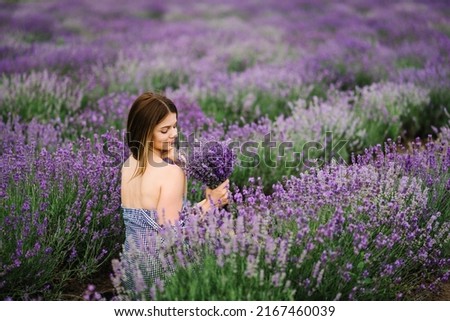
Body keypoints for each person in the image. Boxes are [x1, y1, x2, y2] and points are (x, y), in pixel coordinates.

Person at [119, 91, 229, 291]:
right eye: (164, 130)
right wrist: (211, 203)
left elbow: (155, 220)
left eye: (175, 126)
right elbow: (173, 237)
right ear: (145, 132)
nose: (174, 134)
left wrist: (176, 160)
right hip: (159, 275)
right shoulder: (170, 174)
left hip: (131, 271)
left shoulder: (128, 165)